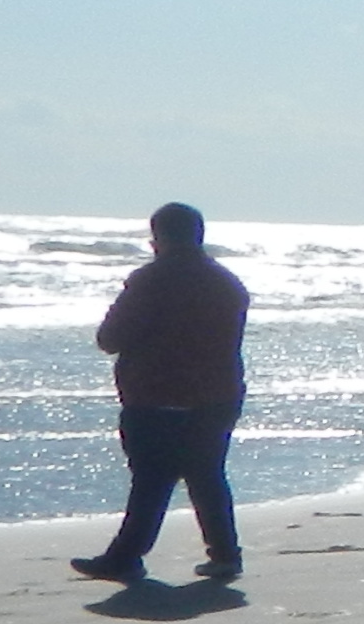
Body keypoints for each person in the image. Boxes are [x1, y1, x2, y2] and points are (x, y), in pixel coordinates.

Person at [75, 202, 251, 584]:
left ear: (160, 237)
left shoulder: (152, 280)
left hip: (157, 393)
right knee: (206, 475)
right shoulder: (227, 283)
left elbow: (110, 338)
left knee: (151, 478)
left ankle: (125, 557)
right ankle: (224, 555)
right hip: (218, 393)